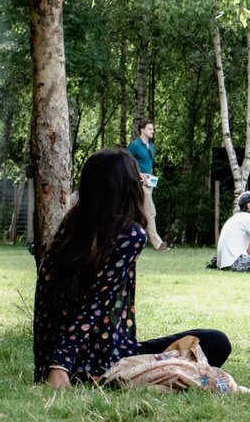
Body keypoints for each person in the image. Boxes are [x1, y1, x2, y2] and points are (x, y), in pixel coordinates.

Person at [33, 149, 231, 388]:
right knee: (217, 342)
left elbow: (44, 311)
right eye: (138, 180)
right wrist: (60, 365)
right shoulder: (129, 234)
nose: (142, 185)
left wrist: (48, 363)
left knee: (207, 341)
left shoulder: (72, 226)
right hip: (101, 361)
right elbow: (95, 303)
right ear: (127, 187)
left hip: (65, 358)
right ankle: (118, 376)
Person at [127, 118, 167, 251]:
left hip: (150, 183)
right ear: (142, 130)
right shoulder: (135, 145)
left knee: (138, 213)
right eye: (150, 129)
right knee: (150, 212)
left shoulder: (151, 146)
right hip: (139, 183)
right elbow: (126, 162)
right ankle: (158, 243)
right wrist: (138, 174)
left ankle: (135, 240)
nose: (152, 131)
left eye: (152, 129)